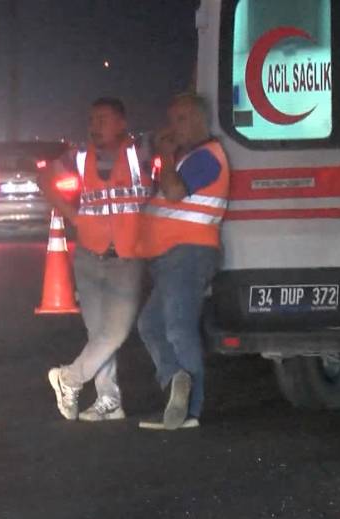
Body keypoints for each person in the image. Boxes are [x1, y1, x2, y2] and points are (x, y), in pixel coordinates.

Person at [40, 98, 155, 422]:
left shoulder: (139, 152)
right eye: (92, 119)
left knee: (114, 333)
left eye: (103, 119)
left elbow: (169, 140)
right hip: (90, 257)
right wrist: (72, 216)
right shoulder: (79, 157)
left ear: (122, 123)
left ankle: (69, 378)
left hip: (127, 259)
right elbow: (45, 179)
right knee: (98, 334)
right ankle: (109, 399)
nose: (95, 125)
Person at [136, 93, 230, 431]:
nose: (171, 127)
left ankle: (190, 409)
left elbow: (174, 193)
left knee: (177, 327)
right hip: (174, 256)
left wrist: (164, 153)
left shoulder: (207, 156)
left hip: (188, 253)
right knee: (152, 325)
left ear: (196, 119)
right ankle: (176, 381)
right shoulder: (191, 157)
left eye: (178, 119)